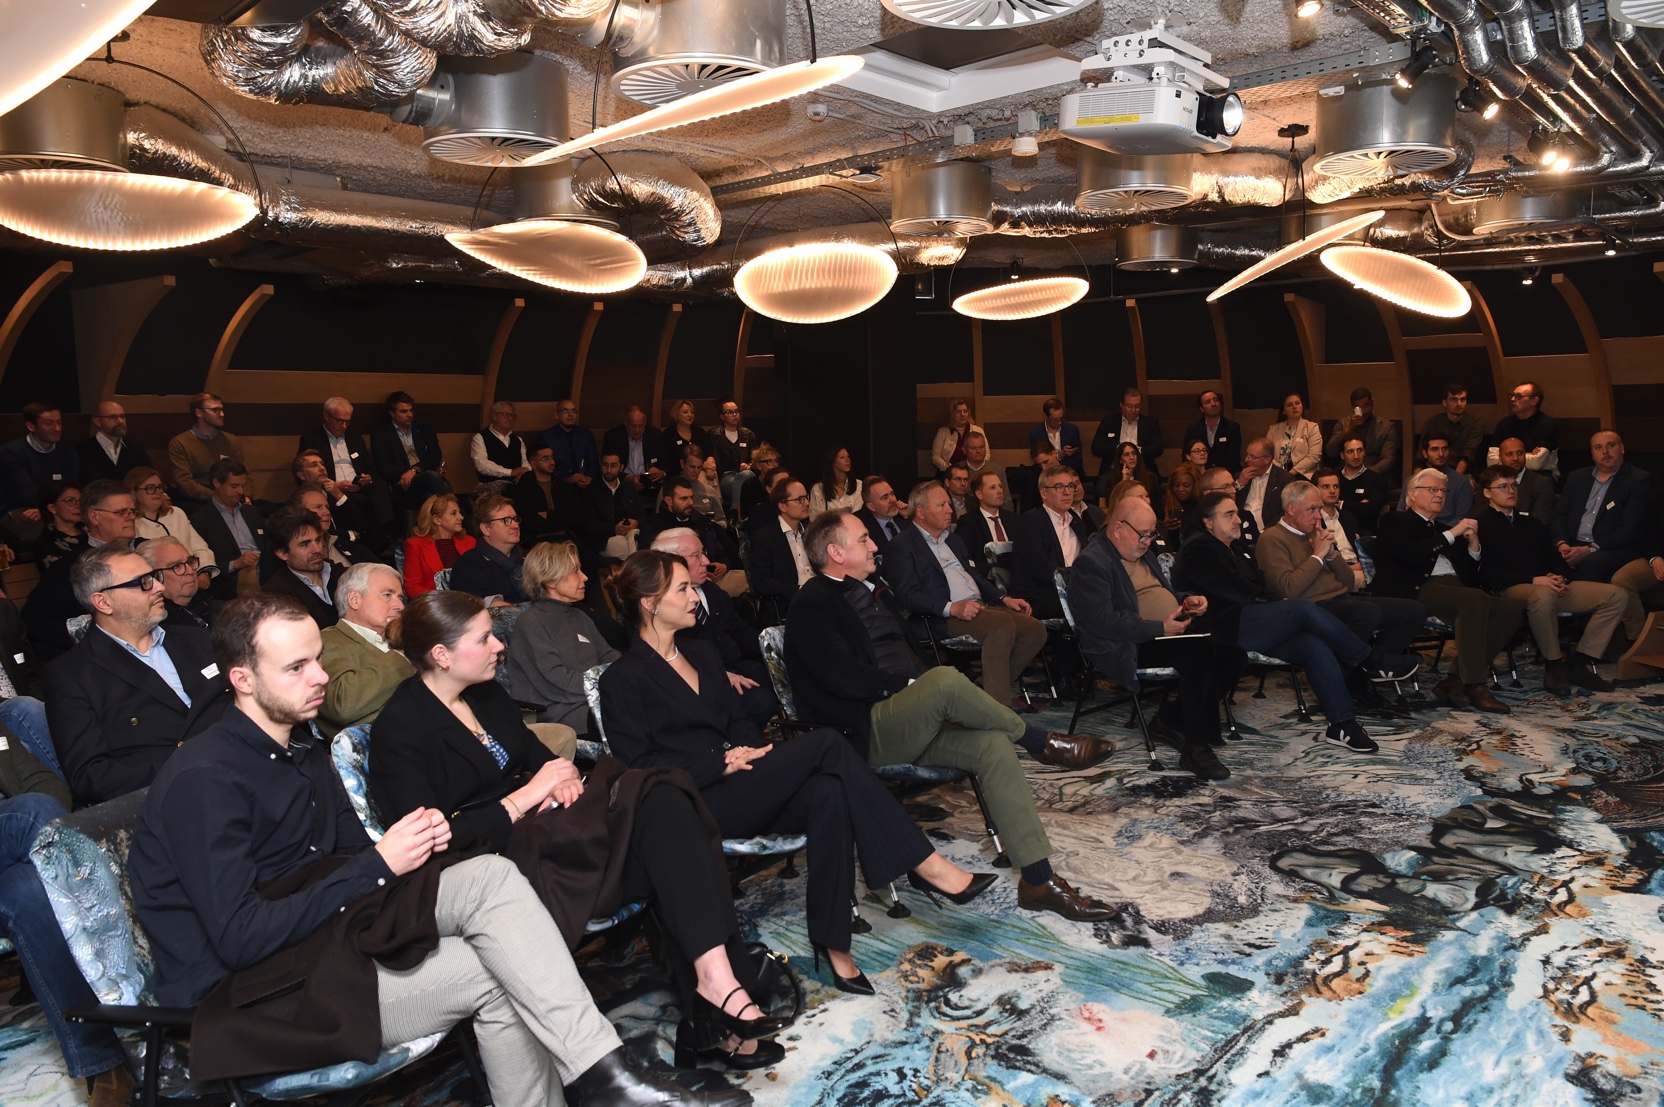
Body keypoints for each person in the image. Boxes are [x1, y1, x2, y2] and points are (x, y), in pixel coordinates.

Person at [128, 593, 739, 1107]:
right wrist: (382, 864)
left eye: (317, 659)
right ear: (242, 679)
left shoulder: (300, 747)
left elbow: (343, 862)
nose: (320, 677)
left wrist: (403, 857)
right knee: (505, 967)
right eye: (297, 667)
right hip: (259, 995)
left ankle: (607, 1077)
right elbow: (240, 939)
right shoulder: (205, 780)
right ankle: (609, 1080)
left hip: (327, 942)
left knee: (490, 879)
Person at [373, 586, 783, 1073]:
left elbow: (542, 759)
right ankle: (717, 1013)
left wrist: (563, 779)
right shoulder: (400, 728)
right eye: (484, 639)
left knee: (666, 799)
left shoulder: (485, 695)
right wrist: (524, 798)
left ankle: (718, 985)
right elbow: (432, 842)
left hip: (560, 832)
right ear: (442, 655)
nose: (500, 645)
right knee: (668, 836)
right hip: (507, 867)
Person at [602, 551, 996, 994]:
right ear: (650, 603)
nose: (695, 596)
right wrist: (721, 763)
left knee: (829, 791)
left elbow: (738, 719)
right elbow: (639, 768)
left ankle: (834, 944)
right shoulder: (623, 678)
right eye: (683, 589)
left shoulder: (702, 652)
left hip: (745, 780)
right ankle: (925, 865)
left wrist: (746, 748)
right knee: (827, 742)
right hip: (693, 803)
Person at [786, 510, 1117, 919]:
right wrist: (913, 688)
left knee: (992, 745)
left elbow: (908, 655)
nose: (874, 545)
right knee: (943, 680)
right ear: (836, 553)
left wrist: (922, 691)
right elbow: (838, 675)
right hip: (863, 730)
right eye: (864, 539)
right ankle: (1039, 741)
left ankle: (1038, 881)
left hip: (909, 720)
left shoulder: (878, 592)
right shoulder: (811, 603)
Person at [1176, 492, 1387, 753]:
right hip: (1224, 629)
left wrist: (1276, 603)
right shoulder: (1198, 548)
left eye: (1237, 513)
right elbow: (1235, 590)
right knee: (1301, 608)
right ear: (1207, 522)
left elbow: (1259, 587)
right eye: (1229, 514)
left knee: (1313, 645)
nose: (1238, 520)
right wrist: (1279, 604)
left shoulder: (1237, 548)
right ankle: (1369, 660)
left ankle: (1342, 724)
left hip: (1253, 623)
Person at [1066, 496, 1243, 779]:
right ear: (1118, 528)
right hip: (1127, 644)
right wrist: (1159, 628)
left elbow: (1161, 593)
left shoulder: (1141, 553)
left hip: (1164, 634)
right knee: (1199, 653)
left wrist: (1186, 600)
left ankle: (1169, 720)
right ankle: (1196, 747)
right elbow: (1102, 622)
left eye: (1151, 534)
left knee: (1234, 656)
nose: (1148, 542)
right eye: (1143, 534)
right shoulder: (1092, 563)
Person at [42, 545, 231, 805]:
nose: (159, 587)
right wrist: (189, 771)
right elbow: (91, 775)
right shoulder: (73, 675)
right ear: (103, 602)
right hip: (175, 798)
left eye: (155, 577)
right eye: (143, 582)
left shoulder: (197, 640)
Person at [0, 738, 133, 1107]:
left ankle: (104, 1065)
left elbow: (47, 784)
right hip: (19, 823)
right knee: (33, 813)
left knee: (26, 890)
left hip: (14, 859)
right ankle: (140, 996)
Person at [885, 482, 1048, 711]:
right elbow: (908, 595)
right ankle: (996, 709)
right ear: (920, 511)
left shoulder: (953, 540)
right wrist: (952, 607)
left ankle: (980, 690)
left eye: (948, 504)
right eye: (941, 505)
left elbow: (976, 577)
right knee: (1001, 625)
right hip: (939, 618)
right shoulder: (902, 545)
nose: (949, 510)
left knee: (1034, 629)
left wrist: (1004, 599)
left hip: (979, 608)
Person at [1372, 467, 1520, 713]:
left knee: (1509, 611)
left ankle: (1454, 680)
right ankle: (1474, 685)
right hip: (1415, 589)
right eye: (1433, 489)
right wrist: (1452, 534)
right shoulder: (1394, 521)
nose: (1440, 495)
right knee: (1473, 599)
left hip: (1455, 589)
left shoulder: (1443, 528)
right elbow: (1411, 556)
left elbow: (1470, 575)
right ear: (1412, 494)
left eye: (1443, 490)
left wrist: (1474, 545)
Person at [1476, 465, 1624, 695]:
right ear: (1487, 492)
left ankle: (1579, 662)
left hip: (1548, 586)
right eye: (1503, 487)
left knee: (1616, 595)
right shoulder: (1479, 524)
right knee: (1543, 595)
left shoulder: (1531, 524)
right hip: (1507, 589)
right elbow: (1484, 572)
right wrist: (1534, 580)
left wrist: (1560, 576)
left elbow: (1556, 559)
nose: (1511, 491)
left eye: (1514, 485)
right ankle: (1553, 664)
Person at [1258, 481, 1427, 670]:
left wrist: (1332, 555)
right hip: (1313, 608)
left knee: (1414, 611)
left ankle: (1374, 665)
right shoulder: (1271, 538)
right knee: (1366, 613)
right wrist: (1318, 555)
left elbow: (1348, 581)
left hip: (1343, 599)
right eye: (1312, 509)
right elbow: (1288, 589)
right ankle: (1355, 672)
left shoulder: (1314, 533)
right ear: (1291, 508)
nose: (1318, 516)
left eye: (1319, 509)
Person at [650, 529, 776, 725]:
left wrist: (776, 645)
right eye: (696, 555)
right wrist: (720, 676)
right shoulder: (664, 609)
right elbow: (672, 660)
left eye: (703, 552)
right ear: (671, 563)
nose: (706, 561)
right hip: (702, 681)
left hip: (737, 666)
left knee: (786, 676)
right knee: (761, 701)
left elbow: (741, 632)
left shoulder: (711, 590)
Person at [503, 541, 616, 735]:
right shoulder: (531, 623)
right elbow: (557, 682)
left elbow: (609, 655)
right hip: (562, 717)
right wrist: (608, 685)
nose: (585, 577)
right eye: (575, 570)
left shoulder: (579, 615)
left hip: (594, 703)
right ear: (550, 580)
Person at [21, 480, 142, 660]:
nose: (130, 517)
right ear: (94, 517)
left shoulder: (151, 551)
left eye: (132, 511)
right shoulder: (72, 567)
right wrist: (94, 639)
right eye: (121, 512)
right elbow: (35, 621)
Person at [317, 561, 412, 735]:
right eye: (387, 595)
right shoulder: (327, 641)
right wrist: (402, 656)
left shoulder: (403, 640)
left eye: (400, 597)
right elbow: (342, 705)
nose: (400, 606)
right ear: (355, 599)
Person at [298, 397, 394, 537]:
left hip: (358, 485)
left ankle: (388, 533)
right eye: (339, 421)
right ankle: (374, 537)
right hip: (333, 488)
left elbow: (370, 467)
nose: (344, 426)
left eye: (347, 422)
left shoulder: (354, 438)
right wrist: (336, 486)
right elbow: (308, 472)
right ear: (326, 416)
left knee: (381, 487)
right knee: (362, 502)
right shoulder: (312, 439)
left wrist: (366, 478)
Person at [1010, 465, 1093, 621]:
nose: (1067, 492)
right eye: (1059, 487)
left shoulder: (1077, 523)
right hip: (1041, 594)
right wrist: (1077, 583)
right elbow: (1040, 568)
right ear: (1044, 493)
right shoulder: (1030, 521)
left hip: (1075, 590)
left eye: (1070, 486)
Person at [637, 477, 744, 596]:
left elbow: (722, 551)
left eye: (691, 497)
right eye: (684, 498)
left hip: (714, 577)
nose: (690, 503)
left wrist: (724, 565)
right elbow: (650, 564)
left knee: (747, 578)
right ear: (669, 501)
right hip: (674, 583)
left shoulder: (702, 522)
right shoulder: (653, 526)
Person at [1, 403, 80, 545]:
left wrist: (48, 509)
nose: (57, 428)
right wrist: (45, 509)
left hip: (58, 509)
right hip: (22, 510)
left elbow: (72, 488)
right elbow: (25, 491)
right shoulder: (11, 453)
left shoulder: (68, 452)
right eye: (49, 423)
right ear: (31, 426)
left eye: (59, 422)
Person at [189, 459, 264, 601]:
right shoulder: (200, 520)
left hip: (265, 574)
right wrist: (235, 564)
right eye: (234, 486)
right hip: (230, 584)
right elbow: (202, 564)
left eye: (243, 486)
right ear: (217, 483)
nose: (241, 492)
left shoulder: (253, 513)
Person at [128, 466, 216, 584]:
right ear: (134, 492)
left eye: (160, 487)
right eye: (150, 488)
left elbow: (200, 547)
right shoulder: (131, 522)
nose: (157, 492)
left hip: (192, 576)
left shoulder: (176, 513)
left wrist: (204, 572)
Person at [261, 507, 341, 628]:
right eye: (304, 544)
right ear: (282, 554)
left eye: (318, 540)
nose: (317, 549)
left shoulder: (341, 574)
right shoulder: (276, 595)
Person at [371, 391, 450, 513]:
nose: (409, 415)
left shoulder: (423, 428)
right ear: (392, 413)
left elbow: (435, 455)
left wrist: (414, 470)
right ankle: (457, 511)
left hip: (425, 477)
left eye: (411, 410)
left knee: (431, 497)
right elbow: (385, 469)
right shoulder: (381, 434)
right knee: (431, 478)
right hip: (402, 485)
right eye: (403, 412)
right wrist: (408, 473)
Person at [746, 478, 812, 619]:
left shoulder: (812, 532)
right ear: (782, 506)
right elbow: (761, 581)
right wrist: (799, 590)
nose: (806, 503)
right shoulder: (765, 537)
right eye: (799, 499)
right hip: (788, 604)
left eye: (806, 497)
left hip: (817, 597)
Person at [451, 495, 528, 606]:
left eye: (515, 519)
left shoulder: (529, 558)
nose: (515, 525)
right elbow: (481, 606)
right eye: (506, 520)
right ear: (486, 528)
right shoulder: (469, 564)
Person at [167, 393, 242, 505]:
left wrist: (246, 495)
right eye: (215, 410)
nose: (222, 414)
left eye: (221, 409)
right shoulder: (180, 443)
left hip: (231, 495)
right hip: (199, 500)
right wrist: (217, 497)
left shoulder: (230, 440)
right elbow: (184, 482)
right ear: (199, 413)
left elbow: (243, 472)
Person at [402, 493, 474, 598]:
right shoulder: (415, 545)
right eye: (453, 513)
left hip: (469, 601)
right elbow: (412, 587)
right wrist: (441, 600)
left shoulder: (470, 542)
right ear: (437, 520)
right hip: (435, 603)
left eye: (459, 512)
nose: (461, 517)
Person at [511, 443, 584, 546]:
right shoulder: (524, 487)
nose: (552, 462)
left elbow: (575, 516)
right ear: (533, 464)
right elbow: (529, 521)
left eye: (552, 457)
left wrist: (548, 515)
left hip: (566, 537)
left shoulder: (562, 485)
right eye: (546, 459)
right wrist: (559, 519)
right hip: (536, 539)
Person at [139, 536, 217, 630]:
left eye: (190, 562)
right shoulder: (157, 628)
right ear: (154, 577)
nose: (190, 571)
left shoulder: (215, 606)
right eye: (177, 566)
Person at [1311, 468, 1371, 588]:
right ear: (1314, 491)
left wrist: (1363, 564)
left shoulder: (1348, 517)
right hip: (1334, 570)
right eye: (1326, 487)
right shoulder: (1313, 521)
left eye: (1336, 486)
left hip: (1359, 566)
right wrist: (1350, 568)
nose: (1332, 491)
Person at [1398, 434, 1473, 526]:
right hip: (1414, 529)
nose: (1441, 454)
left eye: (1444, 449)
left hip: (1448, 530)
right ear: (1425, 453)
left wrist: (1442, 532)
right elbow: (1401, 512)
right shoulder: (1413, 480)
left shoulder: (1461, 482)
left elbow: (1462, 518)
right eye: (1435, 449)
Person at [1489, 380, 1558, 477]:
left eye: (1518, 396)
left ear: (1534, 401)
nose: (1513, 399)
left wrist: (1506, 457)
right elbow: (1491, 461)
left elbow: (1536, 463)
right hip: (1506, 474)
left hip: (1540, 474)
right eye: (1512, 395)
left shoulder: (1547, 424)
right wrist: (1529, 455)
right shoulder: (1504, 423)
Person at [583, 451, 643, 560]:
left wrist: (636, 522)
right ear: (600, 466)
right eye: (605, 465)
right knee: (626, 545)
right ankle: (635, 566)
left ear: (621, 467)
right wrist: (614, 529)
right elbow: (587, 524)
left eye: (613, 465)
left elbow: (642, 515)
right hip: (605, 540)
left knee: (635, 535)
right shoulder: (591, 491)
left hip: (629, 533)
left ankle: (633, 566)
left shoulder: (628, 488)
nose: (609, 470)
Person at [1325, 387, 1397, 476]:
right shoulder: (1343, 424)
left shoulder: (1386, 428)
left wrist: (1366, 475)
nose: (1363, 411)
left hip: (1373, 474)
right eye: (1358, 407)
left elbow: (1388, 459)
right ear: (1353, 407)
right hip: (1345, 474)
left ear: (1372, 403)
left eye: (1366, 406)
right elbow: (1330, 452)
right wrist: (1349, 429)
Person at [1418, 383, 1485, 474]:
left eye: (1462, 400)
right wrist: (1418, 477)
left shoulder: (1474, 423)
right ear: (1445, 403)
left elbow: (1468, 454)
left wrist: (1455, 479)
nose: (1459, 404)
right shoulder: (1432, 422)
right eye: (1454, 400)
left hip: (1463, 473)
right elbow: (1420, 454)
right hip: (1433, 471)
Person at [77, 400, 150, 485]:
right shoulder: (82, 452)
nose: (120, 421)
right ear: (97, 421)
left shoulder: (137, 452)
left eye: (122, 416)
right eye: (113, 417)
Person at [603, 405, 667, 496]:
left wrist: (662, 473)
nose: (637, 430)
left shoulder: (655, 435)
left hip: (650, 487)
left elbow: (665, 463)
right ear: (626, 423)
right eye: (633, 426)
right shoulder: (613, 437)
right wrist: (627, 478)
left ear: (645, 423)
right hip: (621, 485)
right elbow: (607, 466)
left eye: (641, 426)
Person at [538, 398, 600, 488]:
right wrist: (567, 478)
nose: (570, 414)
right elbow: (544, 465)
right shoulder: (546, 437)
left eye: (573, 411)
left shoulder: (586, 435)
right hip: (558, 484)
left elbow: (593, 461)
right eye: (565, 411)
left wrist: (589, 477)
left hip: (586, 483)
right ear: (557, 416)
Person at [955, 471, 1017, 559]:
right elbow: (966, 559)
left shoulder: (1013, 519)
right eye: (993, 487)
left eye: (1000, 486)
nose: (999, 491)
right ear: (979, 494)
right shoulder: (968, 523)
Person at [1335, 433, 1390, 532]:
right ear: (1342, 455)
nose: (1356, 456)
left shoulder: (1377, 479)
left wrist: (1340, 504)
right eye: (1350, 451)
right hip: (1336, 532)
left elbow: (1371, 510)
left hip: (1365, 534)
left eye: (1360, 450)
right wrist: (1359, 505)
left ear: (1365, 452)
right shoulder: (1333, 477)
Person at [1494, 437, 1557, 522]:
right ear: (1500, 457)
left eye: (1520, 453)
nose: (1515, 458)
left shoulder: (1542, 483)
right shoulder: (1490, 482)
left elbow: (1539, 522)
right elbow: (1480, 516)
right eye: (1509, 454)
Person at [470, 401, 531, 485]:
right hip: (490, 486)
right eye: (506, 414)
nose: (510, 418)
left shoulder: (518, 440)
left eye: (512, 415)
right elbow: (482, 465)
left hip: (517, 485)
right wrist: (510, 472)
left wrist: (524, 472)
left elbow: (525, 463)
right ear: (494, 416)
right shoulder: (480, 437)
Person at [1181, 389, 1242, 473]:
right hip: (1199, 474)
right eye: (1208, 402)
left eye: (1215, 400)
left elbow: (1234, 457)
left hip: (1225, 473)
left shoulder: (1232, 427)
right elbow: (1186, 455)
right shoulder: (1193, 428)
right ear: (1202, 409)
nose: (1213, 404)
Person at [32, 480, 85, 570]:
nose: (78, 506)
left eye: (80, 501)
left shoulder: (92, 532)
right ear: (52, 508)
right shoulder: (45, 542)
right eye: (70, 501)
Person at [1268, 392, 1323, 477]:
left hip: (1304, 474)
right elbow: (1267, 454)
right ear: (1284, 411)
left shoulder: (1312, 427)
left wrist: (1292, 472)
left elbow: (1314, 456)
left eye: (1297, 403)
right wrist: (1281, 471)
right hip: (1278, 473)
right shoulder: (1273, 429)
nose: (1294, 407)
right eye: (1289, 405)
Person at [856, 475, 908, 560]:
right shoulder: (864, 531)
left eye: (892, 494)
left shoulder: (905, 520)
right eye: (885, 498)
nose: (893, 500)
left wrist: (908, 517)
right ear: (872, 507)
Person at [1029, 397, 1084, 477]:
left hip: (1071, 473)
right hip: (1047, 475)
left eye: (1061, 418)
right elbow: (1038, 459)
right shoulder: (1036, 433)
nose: (1059, 422)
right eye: (1055, 420)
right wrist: (1059, 455)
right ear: (1045, 416)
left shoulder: (1072, 430)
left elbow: (1078, 460)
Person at [931, 398, 982, 475]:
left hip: (973, 473)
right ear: (953, 414)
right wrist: (948, 469)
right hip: (948, 473)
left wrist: (976, 469)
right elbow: (935, 456)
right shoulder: (943, 432)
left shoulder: (978, 430)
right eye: (958, 412)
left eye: (965, 411)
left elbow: (986, 454)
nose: (963, 414)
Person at [809, 446, 863, 515]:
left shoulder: (858, 485)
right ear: (832, 462)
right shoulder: (818, 489)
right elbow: (815, 517)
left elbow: (858, 515)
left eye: (848, 456)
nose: (847, 460)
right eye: (842, 457)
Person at [1008, 440, 1055, 514]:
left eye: (1045, 462)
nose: (1043, 467)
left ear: (1054, 454)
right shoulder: (1033, 477)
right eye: (1039, 464)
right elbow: (1027, 508)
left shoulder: (1068, 471)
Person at [663, 400, 714, 467]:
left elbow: (709, 453)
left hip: (700, 470)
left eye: (692, 412)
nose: (690, 415)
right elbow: (664, 461)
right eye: (685, 412)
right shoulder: (668, 434)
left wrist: (710, 462)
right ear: (676, 414)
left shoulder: (699, 432)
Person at [737, 442, 780, 520]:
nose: (775, 465)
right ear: (758, 465)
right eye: (769, 461)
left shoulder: (782, 484)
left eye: (776, 461)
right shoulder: (749, 486)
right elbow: (746, 515)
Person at [1160, 462, 1200, 540]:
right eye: (1176, 485)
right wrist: (1163, 527)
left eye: (1186, 485)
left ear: (1195, 485)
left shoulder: (1201, 504)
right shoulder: (1163, 502)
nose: (1180, 489)